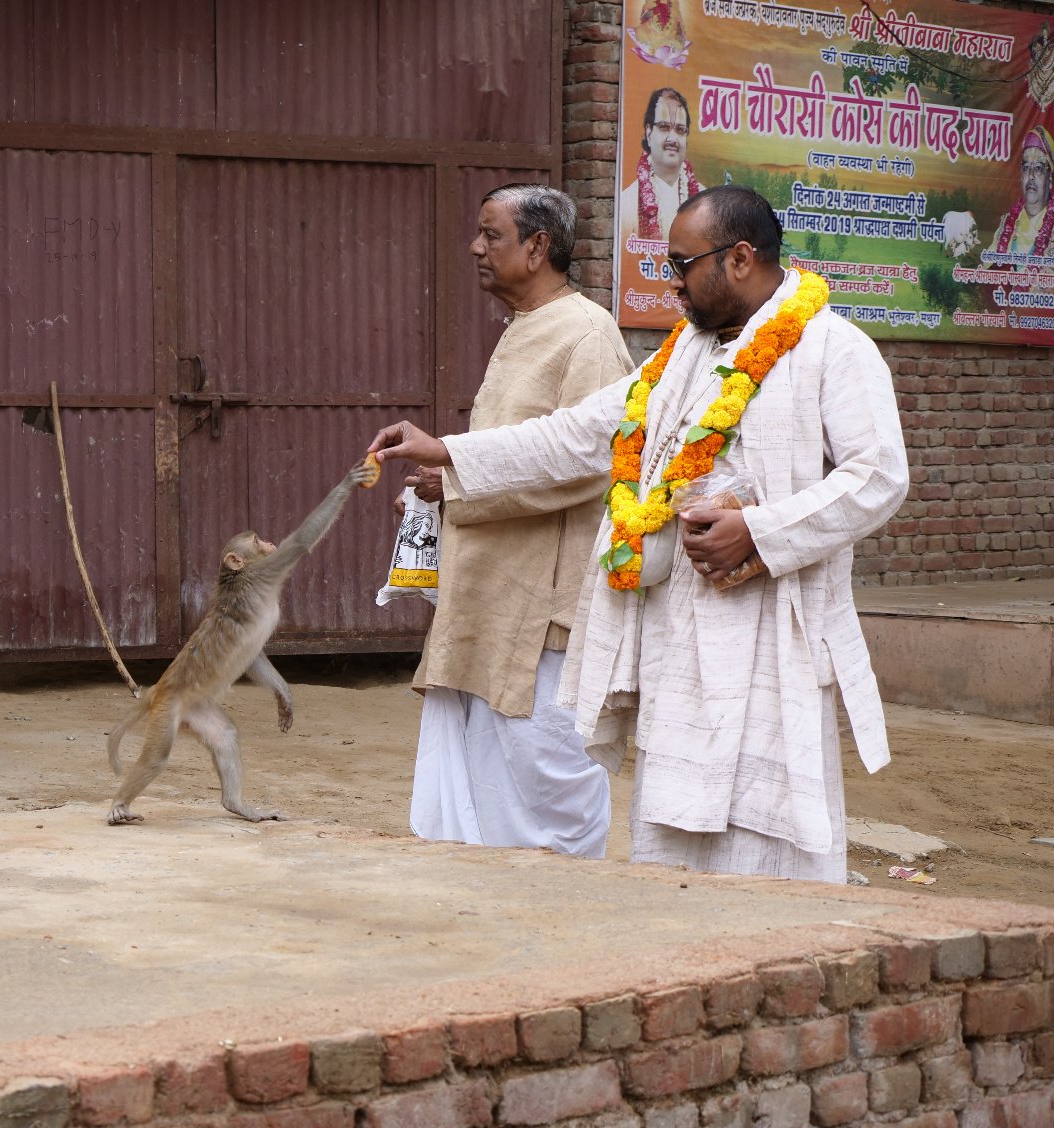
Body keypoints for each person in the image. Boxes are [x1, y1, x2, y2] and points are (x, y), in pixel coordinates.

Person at [369, 186, 910, 883]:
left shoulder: (834, 349)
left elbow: (878, 478)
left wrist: (759, 531)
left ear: (741, 258)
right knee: (668, 826)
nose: (673, 284)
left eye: (683, 266)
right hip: (677, 637)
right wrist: (450, 452)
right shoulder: (679, 357)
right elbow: (581, 437)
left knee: (768, 825)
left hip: (773, 636)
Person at [402, 185, 633, 856]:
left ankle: (559, 918)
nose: (475, 247)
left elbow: (588, 464)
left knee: (543, 776)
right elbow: (509, 460)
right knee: (492, 772)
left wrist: (455, 472)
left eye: (491, 234)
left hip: (543, 606)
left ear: (537, 248)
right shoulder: (529, 326)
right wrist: (443, 487)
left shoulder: (588, 332)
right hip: (494, 591)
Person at [619, 88, 704, 245]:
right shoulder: (628, 203)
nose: (672, 138)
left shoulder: (704, 200)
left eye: (680, 130)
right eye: (664, 127)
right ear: (649, 133)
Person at [989, 126, 1053, 259]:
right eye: (1026, 167)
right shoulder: (1005, 225)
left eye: (1038, 168)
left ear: (1050, 178)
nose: (1030, 175)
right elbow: (988, 268)